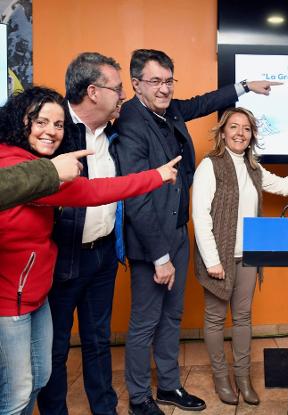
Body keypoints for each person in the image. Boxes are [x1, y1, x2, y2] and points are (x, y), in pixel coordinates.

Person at [113, 49, 281, 415]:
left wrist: (245, 87)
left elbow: (203, 102)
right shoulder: (130, 122)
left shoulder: (168, 108)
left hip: (175, 231)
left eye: (169, 81)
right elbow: (138, 196)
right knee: (145, 322)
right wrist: (160, 256)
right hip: (150, 239)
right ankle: (140, 397)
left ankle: (169, 386)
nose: (164, 89)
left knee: (172, 316)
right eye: (155, 81)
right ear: (136, 84)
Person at [0, 86, 179, 415]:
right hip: (11, 300)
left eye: (57, 125)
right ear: (21, 121)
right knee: (18, 390)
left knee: (38, 376)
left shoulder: (40, 162)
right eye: (41, 122)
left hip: (38, 294)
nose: (51, 132)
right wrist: (155, 176)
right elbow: (93, 192)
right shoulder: (18, 165)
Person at [192, 107, 288, 405]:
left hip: (247, 257)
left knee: (243, 319)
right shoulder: (210, 165)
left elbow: (286, 187)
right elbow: (200, 215)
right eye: (234, 127)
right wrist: (212, 260)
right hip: (217, 259)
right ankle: (221, 379)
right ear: (223, 131)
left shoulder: (253, 168)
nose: (240, 133)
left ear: (252, 136)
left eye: (246, 129)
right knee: (213, 320)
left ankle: (243, 379)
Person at [37, 52, 129, 415]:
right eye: (117, 88)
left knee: (97, 340)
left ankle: (104, 408)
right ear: (93, 91)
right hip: (62, 257)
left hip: (102, 255)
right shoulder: (56, 133)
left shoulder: (112, 133)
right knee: (56, 347)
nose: (122, 95)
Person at [0, 150, 92, 211]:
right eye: (40, 122)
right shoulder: (10, 160)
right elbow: (82, 191)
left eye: (59, 125)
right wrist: (53, 169)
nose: (52, 131)